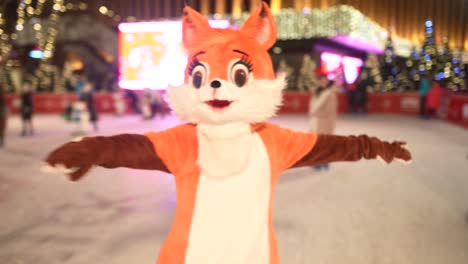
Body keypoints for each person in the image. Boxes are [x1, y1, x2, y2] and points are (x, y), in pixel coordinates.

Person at [309, 74, 338, 170]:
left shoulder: (330, 94)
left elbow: (330, 111)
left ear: (328, 82)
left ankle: (323, 162)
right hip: (316, 122)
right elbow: (312, 107)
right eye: (321, 80)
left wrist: (316, 114)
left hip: (325, 123)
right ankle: (319, 161)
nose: (322, 82)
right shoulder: (317, 92)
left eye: (325, 80)